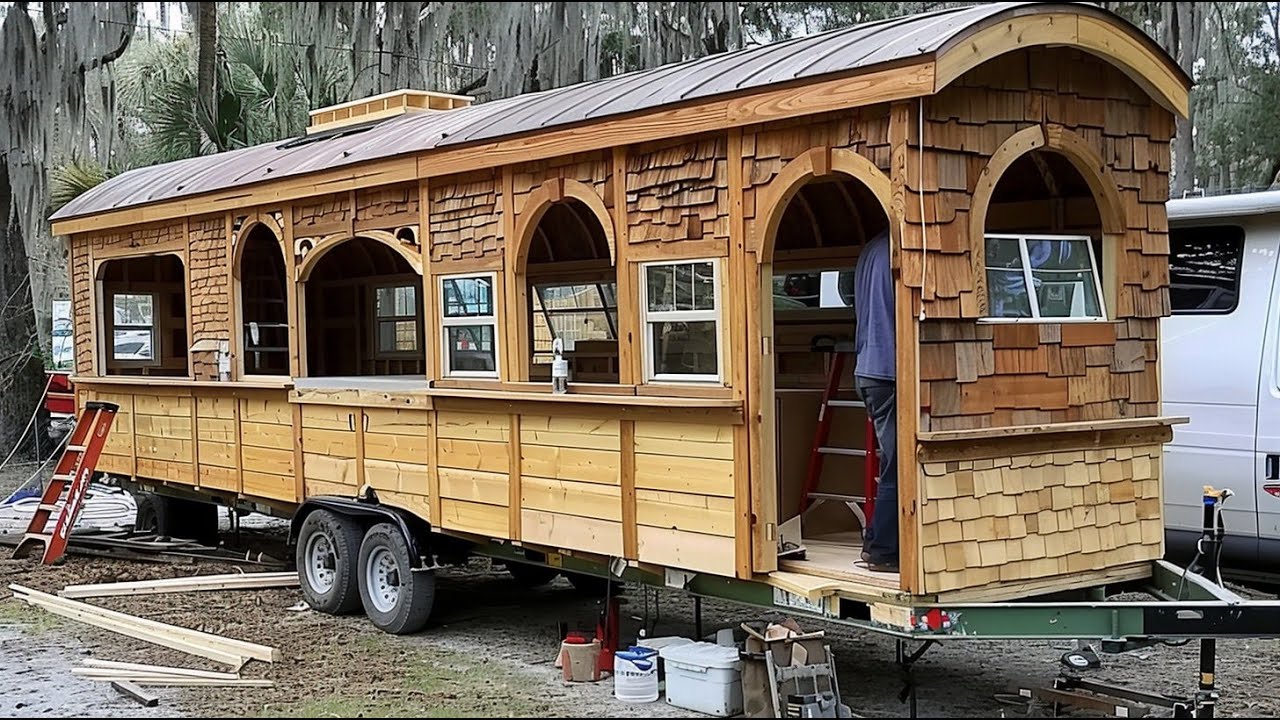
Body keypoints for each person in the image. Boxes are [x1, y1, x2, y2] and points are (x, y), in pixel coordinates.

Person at [853, 228, 898, 572]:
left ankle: (875, 543)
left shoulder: (870, 249)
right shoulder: (901, 249)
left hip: (867, 367)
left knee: (891, 461)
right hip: (889, 370)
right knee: (898, 466)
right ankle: (882, 550)